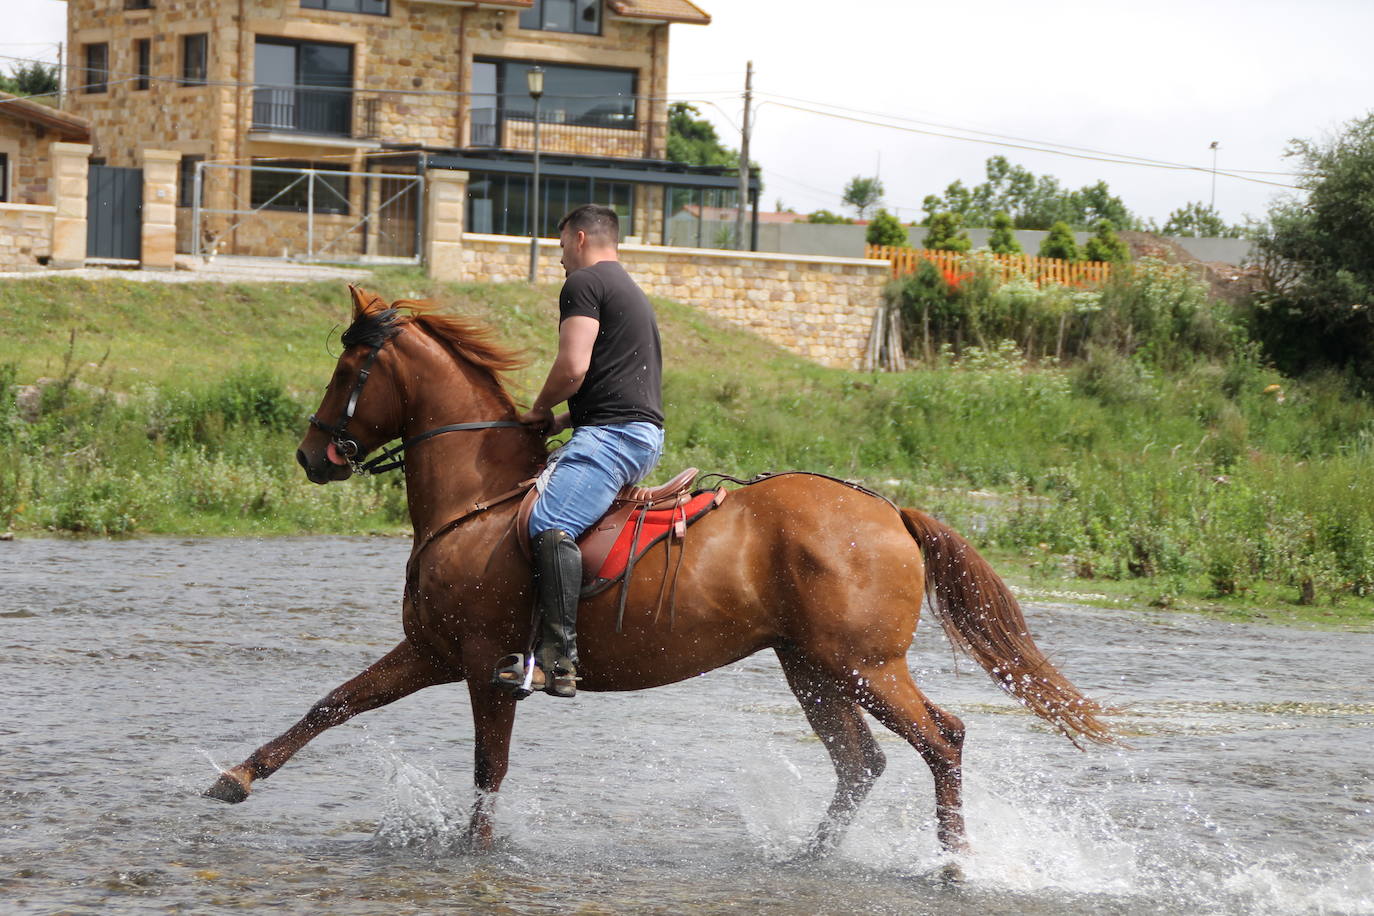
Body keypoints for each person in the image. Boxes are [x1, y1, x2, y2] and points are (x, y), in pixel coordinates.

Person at [505, 203, 664, 698]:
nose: (559, 262)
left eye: (558, 249)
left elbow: (573, 366)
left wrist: (537, 408)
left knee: (550, 523)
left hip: (614, 437)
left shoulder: (584, 284)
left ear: (577, 239)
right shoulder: (629, 290)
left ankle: (557, 660)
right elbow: (615, 385)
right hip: (626, 429)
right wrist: (560, 421)